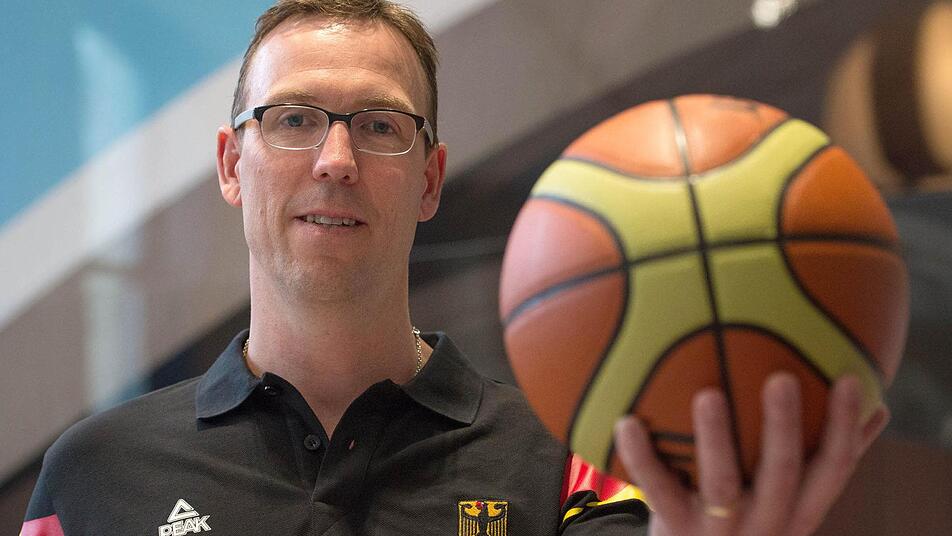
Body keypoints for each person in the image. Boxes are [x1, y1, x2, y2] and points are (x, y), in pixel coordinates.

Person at [21, 1, 889, 535]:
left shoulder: (573, 461)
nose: (334, 158)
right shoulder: (95, 474)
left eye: (379, 125)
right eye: (291, 119)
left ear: (429, 180)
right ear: (228, 164)